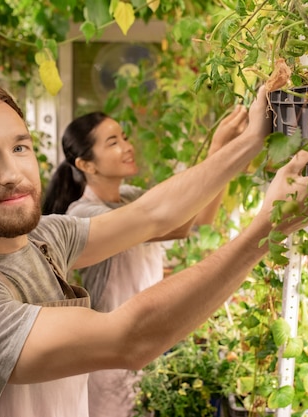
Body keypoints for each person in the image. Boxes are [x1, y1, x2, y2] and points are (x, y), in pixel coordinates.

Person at [0, 78, 308, 417]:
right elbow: (131, 339)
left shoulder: (44, 239)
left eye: (19, 147)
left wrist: (253, 138)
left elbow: (154, 215)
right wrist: (269, 227)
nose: (11, 172)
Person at [42, 108, 248, 417]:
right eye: (112, 142)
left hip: (146, 338)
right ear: (86, 164)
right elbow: (175, 224)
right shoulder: (83, 215)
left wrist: (228, 155)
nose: (127, 146)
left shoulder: (129, 196)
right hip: (108, 353)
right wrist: (220, 152)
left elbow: (200, 217)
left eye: (124, 137)